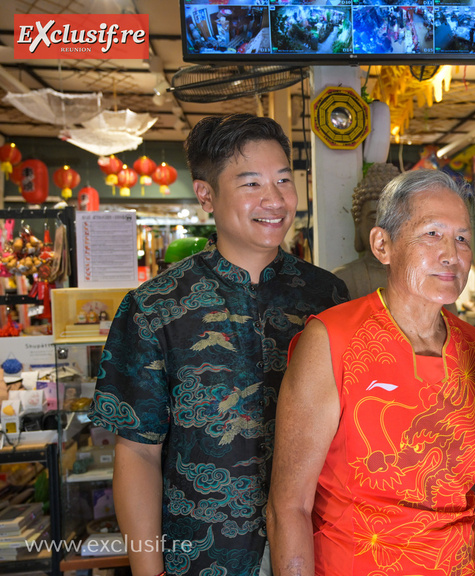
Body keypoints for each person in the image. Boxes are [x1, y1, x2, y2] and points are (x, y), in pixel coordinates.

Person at [89, 113, 349, 576]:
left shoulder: (327, 297)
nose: (275, 200)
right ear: (206, 194)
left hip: (317, 549)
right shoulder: (154, 308)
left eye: (283, 180)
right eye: (251, 184)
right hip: (203, 555)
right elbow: (137, 452)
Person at [267, 169, 475, 575]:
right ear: (382, 244)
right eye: (432, 234)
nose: (452, 253)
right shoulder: (331, 340)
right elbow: (289, 507)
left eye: (462, 238)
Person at [332, 163, 399, 299]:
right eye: (374, 217)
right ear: (357, 222)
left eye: (394, 217)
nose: (384, 227)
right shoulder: (342, 279)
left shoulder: (425, 278)